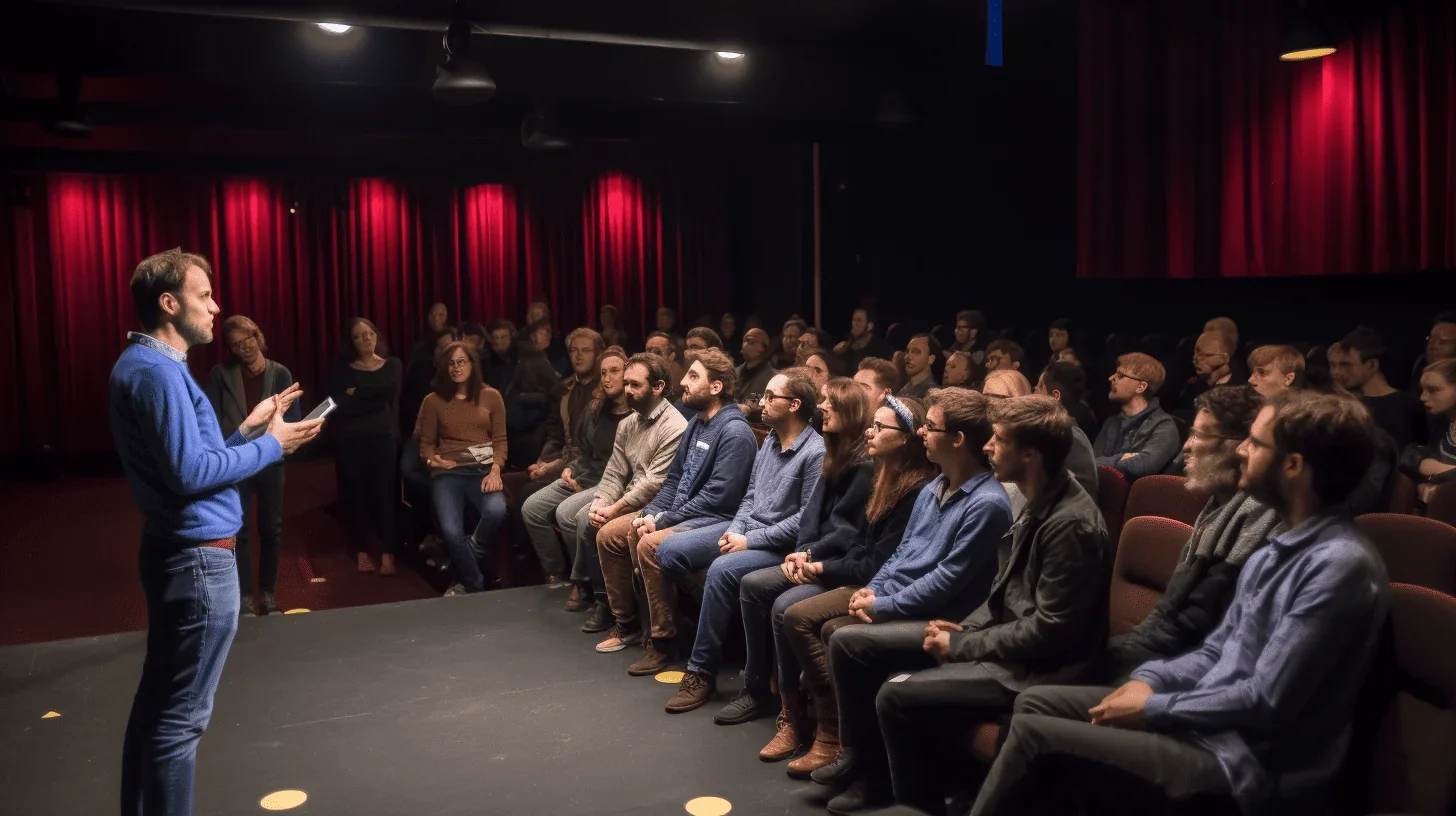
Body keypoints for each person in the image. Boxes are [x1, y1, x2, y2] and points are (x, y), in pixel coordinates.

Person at [971, 390, 1388, 816]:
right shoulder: (1278, 546)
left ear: (1293, 466)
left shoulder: (1337, 566)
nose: (1241, 450)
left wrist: (1155, 707)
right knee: (1035, 703)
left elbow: (1266, 701)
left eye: (1256, 443)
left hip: (1246, 760)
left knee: (1036, 736)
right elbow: (1214, 649)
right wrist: (1151, 678)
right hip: (1205, 720)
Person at [110, 248, 323, 816]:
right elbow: (189, 475)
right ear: (169, 303)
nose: (216, 307)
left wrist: (246, 432)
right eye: (204, 296)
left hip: (178, 552)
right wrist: (270, 445)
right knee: (179, 721)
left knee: (159, 708)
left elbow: (190, 466)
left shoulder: (145, 363)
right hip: (197, 562)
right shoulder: (157, 371)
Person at [809, 389, 1018, 811]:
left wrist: (883, 605)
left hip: (948, 619)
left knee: (845, 639)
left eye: (931, 426)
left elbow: (947, 581)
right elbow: (902, 554)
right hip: (911, 602)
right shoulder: (934, 486)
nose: (921, 431)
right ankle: (862, 762)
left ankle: (865, 769)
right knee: (837, 631)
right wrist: (875, 589)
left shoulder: (988, 504)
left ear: (958, 439)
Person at [663, 369, 825, 712]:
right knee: (671, 552)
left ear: (794, 405)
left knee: (721, 570)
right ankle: (719, 635)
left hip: (782, 546)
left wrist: (749, 541)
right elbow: (750, 496)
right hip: (750, 533)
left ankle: (701, 674)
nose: (760, 403)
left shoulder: (814, 452)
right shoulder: (768, 439)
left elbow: (803, 521)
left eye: (770, 397)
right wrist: (735, 529)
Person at [594, 349, 758, 675]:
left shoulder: (735, 433)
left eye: (693, 376)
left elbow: (717, 499)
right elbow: (672, 481)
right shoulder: (698, 423)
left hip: (717, 520)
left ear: (716, 386)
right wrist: (651, 513)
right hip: (689, 514)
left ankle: (664, 642)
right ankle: (634, 626)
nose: (682, 382)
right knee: (615, 532)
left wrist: (662, 520)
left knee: (649, 542)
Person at [1102, 386, 1279, 680]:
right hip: (1160, 663)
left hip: (1186, 680)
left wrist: (1108, 656)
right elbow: (1167, 616)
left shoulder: (1256, 522)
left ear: (1238, 445)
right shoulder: (1215, 509)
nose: (1187, 446)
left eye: (1199, 435)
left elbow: (1195, 630)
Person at [577, 353, 689, 631]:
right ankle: (617, 612)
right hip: (635, 498)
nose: (627, 390)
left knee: (608, 530)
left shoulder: (674, 426)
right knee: (589, 519)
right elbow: (615, 470)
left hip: (660, 504)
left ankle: (627, 621)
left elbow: (654, 483)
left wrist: (614, 509)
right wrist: (600, 502)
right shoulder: (628, 423)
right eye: (626, 383)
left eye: (635, 385)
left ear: (658, 387)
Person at [204, 315, 302, 617]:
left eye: (246, 339)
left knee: (271, 529)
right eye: (235, 345)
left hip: (271, 460)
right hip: (236, 462)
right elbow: (211, 419)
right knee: (240, 532)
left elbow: (293, 418)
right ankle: (245, 599)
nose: (243, 347)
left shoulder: (280, 373)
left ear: (257, 336)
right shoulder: (221, 374)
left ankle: (269, 597)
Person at [520, 345, 629, 602]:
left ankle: (586, 581)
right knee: (531, 508)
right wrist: (571, 468)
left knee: (566, 513)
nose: (607, 378)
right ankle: (558, 573)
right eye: (603, 372)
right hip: (584, 474)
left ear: (627, 375)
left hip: (609, 482)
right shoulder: (595, 409)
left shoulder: (635, 414)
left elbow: (625, 467)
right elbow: (582, 449)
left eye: (615, 371)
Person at [417, 342, 509, 596]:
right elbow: (426, 445)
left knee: (497, 510)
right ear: (444, 368)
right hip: (448, 471)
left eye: (462, 361)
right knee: (451, 530)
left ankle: (460, 575)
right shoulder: (432, 401)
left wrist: (495, 470)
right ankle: (475, 585)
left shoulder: (491, 396)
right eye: (451, 363)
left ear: (473, 364)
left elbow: (500, 441)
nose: (456, 368)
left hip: (482, 470)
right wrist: (431, 460)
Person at [331, 318, 404, 574]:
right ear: (351, 342)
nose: (366, 339)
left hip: (382, 439)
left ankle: (387, 552)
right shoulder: (343, 369)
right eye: (358, 335)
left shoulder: (392, 365)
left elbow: (387, 390)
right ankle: (362, 549)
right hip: (351, 440)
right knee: (357, 495)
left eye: (369, 333)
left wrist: (357, 392)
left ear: (376, 335)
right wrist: (369, 394)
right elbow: (340, 405)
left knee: (384, 495)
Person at [1328, 327, 1427, 451]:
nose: (1335, 372)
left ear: (1371, 365)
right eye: (1332, 365)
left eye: (1345, 365)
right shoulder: (1341, 402)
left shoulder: (1405, 407)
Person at [1095, 352, 1180, 479]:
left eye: (1120, 375)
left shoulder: (1163, 425)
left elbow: (1144, 466)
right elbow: (1090, 462)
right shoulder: (1111, 422)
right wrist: (1122, 458)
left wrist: (1107, 462)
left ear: (1141, 386)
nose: (1111, 378)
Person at [1401, 358, 1456, 503]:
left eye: (1432, 390)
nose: (1422, 397)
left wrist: (1434, 472)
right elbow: (1410, 456)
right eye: (1422, 390)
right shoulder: (1442, 422)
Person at [1179, 330, 1235, 413]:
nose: (1195, 359)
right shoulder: (1193, 386)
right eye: (1194, 354)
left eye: (1202, 354)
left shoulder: (1235, 393)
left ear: (1224, 358)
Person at [835, 306, 893, 373]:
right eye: (853, 320)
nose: (855, 324)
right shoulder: (847, 341)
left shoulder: (881, 349)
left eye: (859, 320)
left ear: (869, 326)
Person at [734, 327, 777, 413]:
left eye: (750, 342)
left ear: (763, 348)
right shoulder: (734, 372)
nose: (745, 344)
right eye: (744, 341)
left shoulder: (772, 378)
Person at [897, 334, 941, 400]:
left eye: (916, 352)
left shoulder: (932, 395)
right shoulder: (903, 390)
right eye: (907, 351)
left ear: (930, 359)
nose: (908, 357)